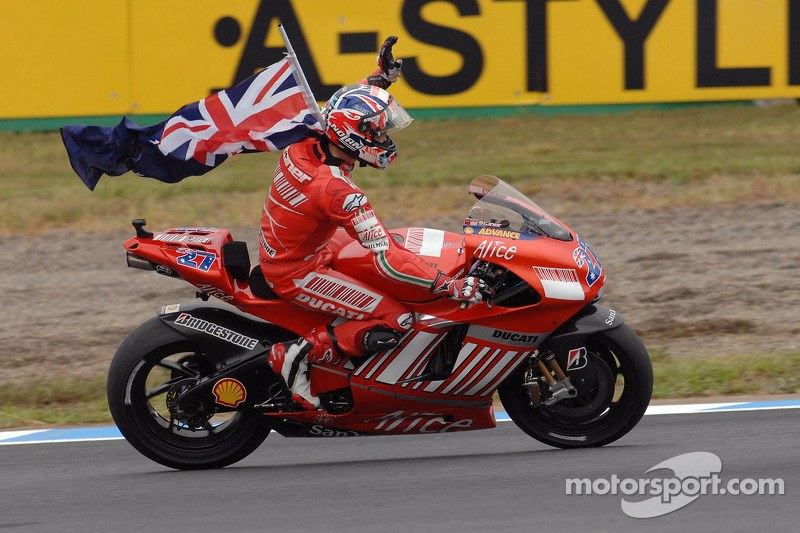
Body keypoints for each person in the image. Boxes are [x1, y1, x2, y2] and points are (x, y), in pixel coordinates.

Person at [260, 36, 486, 410]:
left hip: (308, 242)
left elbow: (342, 109)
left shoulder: (311, 136)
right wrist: (449, 285)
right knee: (396, 317)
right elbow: (385, 256)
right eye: (379, 133)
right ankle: (297, 354)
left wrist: (380, 80)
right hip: (296, 270)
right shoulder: (338, 192)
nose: (384, 139)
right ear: (356, 138)